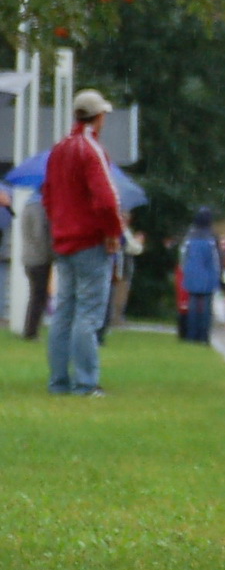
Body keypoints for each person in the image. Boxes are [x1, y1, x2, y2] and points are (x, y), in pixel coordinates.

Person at [41, 89, 124, 396]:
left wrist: (59, 224)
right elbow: (106, 199)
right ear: (99, 117)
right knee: (88, 313)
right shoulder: (91, 149)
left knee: (63, 312)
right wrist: (112, 232)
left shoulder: (59, 149)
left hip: (63, 239)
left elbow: (47, 196)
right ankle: (86, 383)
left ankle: (58, 381)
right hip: (89, 240)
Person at [179, 207, 223, 343]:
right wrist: (218, 273)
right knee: (206, 307)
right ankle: (203, 336)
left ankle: (191, 335)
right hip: (208, 274)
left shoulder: (190, 235)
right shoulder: (212, 237)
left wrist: (184, 270)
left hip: (191, 273)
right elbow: (217, 258)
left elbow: (182, 255)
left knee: (192, 305)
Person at [18, 189, 53, 340]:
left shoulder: (27, 206)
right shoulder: (39, 207)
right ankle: (31, 331)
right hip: (39, 258)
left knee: (36, 294)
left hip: (28, 257)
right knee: (38, 295)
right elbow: (40, 234)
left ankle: (31, 329)